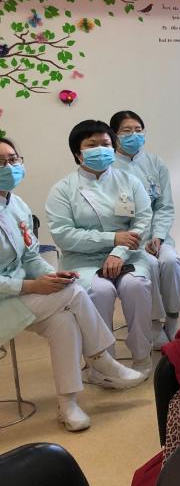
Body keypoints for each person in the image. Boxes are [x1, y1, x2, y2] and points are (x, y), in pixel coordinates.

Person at [0, 137, 143, 431]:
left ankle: (68, 404)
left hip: (17, 296)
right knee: (74, 293)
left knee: (63, 321)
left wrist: (52, 276)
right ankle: (100, 358)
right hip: (9, 297)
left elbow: (31, 256)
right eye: (0, 162)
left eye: (13, 159)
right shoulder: (61, 189)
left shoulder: (16, 205)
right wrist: (30, 286)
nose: (9, 167)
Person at [45, 120, 161, 376]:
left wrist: (118, 251)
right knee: (100, 291)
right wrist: (112, 239)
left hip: (129, 254)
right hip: (82, 259)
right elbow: (64, 236)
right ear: (78, 153)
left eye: (106, 144)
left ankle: (142, 356)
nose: (100, 149)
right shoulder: (62, 190)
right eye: (92, 145)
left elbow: (142, 221)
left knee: (136, 286)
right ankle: (103, 364)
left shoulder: (130, 181)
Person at [111, 110, 180, 343]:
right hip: (129, 239)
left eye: (138, 130)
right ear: (114, 135)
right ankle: (153, 323)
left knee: (171, 262)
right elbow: (112, 216)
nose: (134, 135)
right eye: (127, 131)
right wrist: (137, 240)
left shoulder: (155, 163)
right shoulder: (109, 168)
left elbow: (165, 206)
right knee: (150, 265)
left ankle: (172, 319)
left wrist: (159, 236)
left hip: (157, 235)